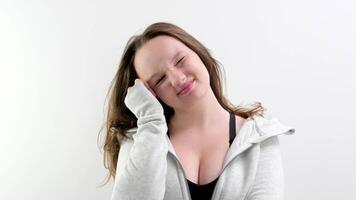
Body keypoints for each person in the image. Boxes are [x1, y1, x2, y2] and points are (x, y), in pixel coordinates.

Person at [99, 22, 295, 200]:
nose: (177, 79)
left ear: (199, 53)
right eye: (159, 80)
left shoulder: (258, 138)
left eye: (180, 60)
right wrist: (150, 120)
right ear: (151, 94)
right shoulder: (139, 141)